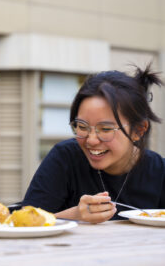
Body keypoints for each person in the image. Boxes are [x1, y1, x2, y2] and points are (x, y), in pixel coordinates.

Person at [22, 64, 165, 223]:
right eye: (82, 127)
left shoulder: (160, 172)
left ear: (138, 130)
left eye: (105, 129)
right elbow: (25, 222)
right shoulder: (64, 158)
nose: (91, 140)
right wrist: (75, 214)